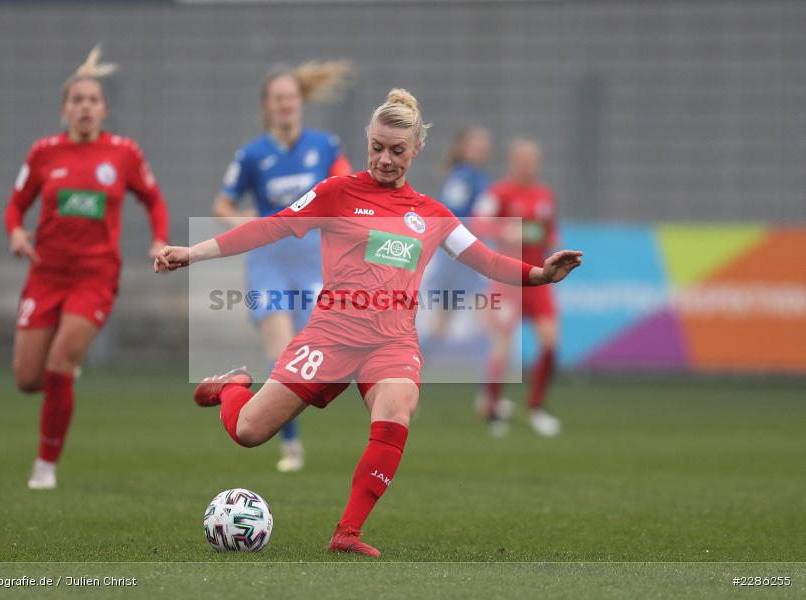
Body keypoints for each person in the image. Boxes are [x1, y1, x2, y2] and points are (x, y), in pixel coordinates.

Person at [156, 89, 581, 556]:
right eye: (377, 147)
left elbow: (487, 260)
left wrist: (540, 275)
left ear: (416, 149)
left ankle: (347, 533)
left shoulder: (433, 215)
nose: (384, 159)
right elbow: (269, 226)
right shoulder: (336, 193)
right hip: (331, 335)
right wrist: (193, 253)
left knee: (398, 409)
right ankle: (231, 388)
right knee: (249, 432)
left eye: (397, 150)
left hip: (391, 342)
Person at [4, 46, 169, 489]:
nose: (85, 107)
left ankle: (45, 467)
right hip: (45, 275)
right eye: (77, 100)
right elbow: (15, 206)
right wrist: (17, 233)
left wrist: (158, 239)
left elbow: (153, 199)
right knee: (26, 379)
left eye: (92, 100)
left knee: (60, 362)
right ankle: (65, 381)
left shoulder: (122, 154)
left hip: (95, 277)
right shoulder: (43, 153)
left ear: (103, 109)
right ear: (64, 109)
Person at [212, 61, 352, 473]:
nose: (285, 105)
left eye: (290, 97)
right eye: (278, 99)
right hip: (268, 264)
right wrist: (251, 228)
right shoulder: (252, 155)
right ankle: (290, 446)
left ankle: (274, 420)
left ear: (299, 102)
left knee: (313, 357)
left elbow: (346, 191)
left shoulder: (325, 146)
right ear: (267, 106)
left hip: (312, 263)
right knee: (280, 349)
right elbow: (222, 205)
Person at [473, 138, 562, 437]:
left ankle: (536, 406)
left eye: (531, 161)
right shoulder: (499, 192)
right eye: (521, 161)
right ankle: (493, 409)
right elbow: (478, 223)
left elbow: (549, 231)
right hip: (508, 278)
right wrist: (505, 229)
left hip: (538, 279)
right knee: (502, 345)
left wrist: (553, 243)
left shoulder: (544, 195)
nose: (526, 166)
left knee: (550, 342)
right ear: (512, 162)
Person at [423, 127, 492, 342]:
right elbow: (453, 214)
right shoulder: (461, 177)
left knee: (443, 323)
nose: (480, 150)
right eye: (475, 145)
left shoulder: (478, 177)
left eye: (483, 146)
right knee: (485, 314)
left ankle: (412, 365)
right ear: (462, 148)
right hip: (459, 256)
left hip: (466, 254)